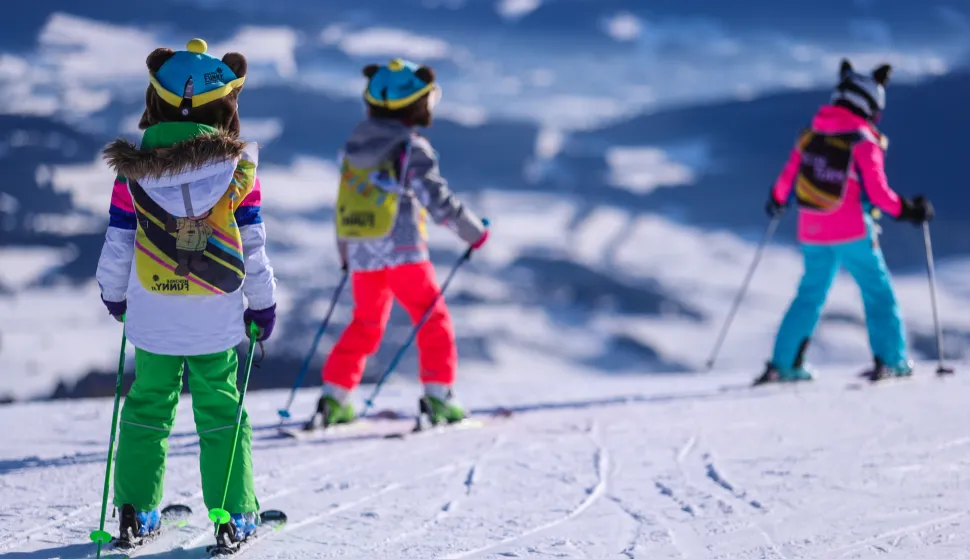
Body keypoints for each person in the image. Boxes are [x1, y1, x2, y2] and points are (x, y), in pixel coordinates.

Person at [96, 39, 277, 547]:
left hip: (152, 312)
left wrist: (115, 295)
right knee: (220, 411)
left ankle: (135, 511)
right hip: (214, 315)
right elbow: (253, 246)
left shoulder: (133, 172)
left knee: (147, 407)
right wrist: (262, 303)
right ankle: (234, 515)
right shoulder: (239, 172)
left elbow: (119, 239)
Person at [314, 58, 489, 428]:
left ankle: (335, 398)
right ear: (415, 104)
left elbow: (345, 201)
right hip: (403, 250)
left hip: (361, 248)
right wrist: (473, 232)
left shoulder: (355, 144)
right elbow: (437, 200)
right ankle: (439, 398)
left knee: (365, 322)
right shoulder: (410, 148)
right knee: (432, 318)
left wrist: (346, 253)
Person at [756, 58, 934, 384]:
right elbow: (879, 194)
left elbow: (785, 183)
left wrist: (777, 201)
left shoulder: (811, 135)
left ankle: (783, 365)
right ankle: (891, 360)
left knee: (809, 295)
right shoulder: (863, 140)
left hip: (811, 228)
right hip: (853, 230)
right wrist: (909, 209)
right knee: (877, 293)